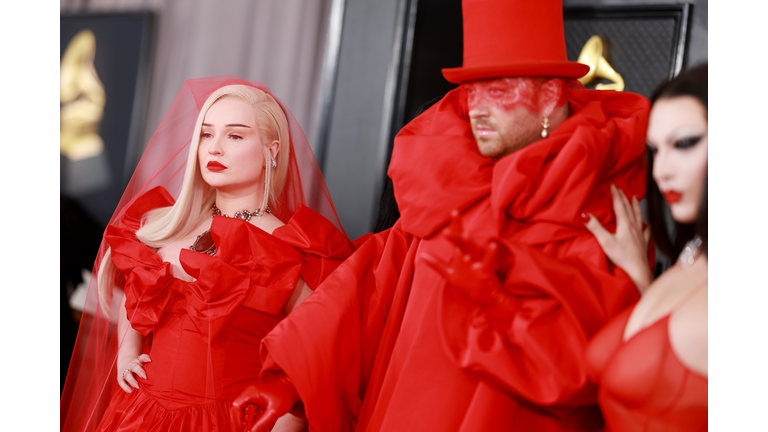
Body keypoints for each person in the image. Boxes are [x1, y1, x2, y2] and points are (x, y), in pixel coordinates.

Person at [232, 0, 651, 430]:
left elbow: (593, 360)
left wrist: (499, 301)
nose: (477, 109)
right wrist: (289, 384)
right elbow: (367, 293)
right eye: (471, 91)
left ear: (548, 97)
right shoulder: (445, 193)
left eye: (499, 90)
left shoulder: (599, 209)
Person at [60, 76, 356, 432]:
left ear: (271, 150)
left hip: (229, 422)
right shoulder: (165, 224)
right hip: (139, 414)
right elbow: (134, 300)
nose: (214, 148)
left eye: (234, 135)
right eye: (206, 134)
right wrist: (127, 353)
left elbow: (316, 362)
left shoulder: (292, 248)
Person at [584, 64, 708, 431]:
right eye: (655, 150)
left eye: (684, 143)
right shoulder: (695, 254)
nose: (660, 170)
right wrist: (641, 273)